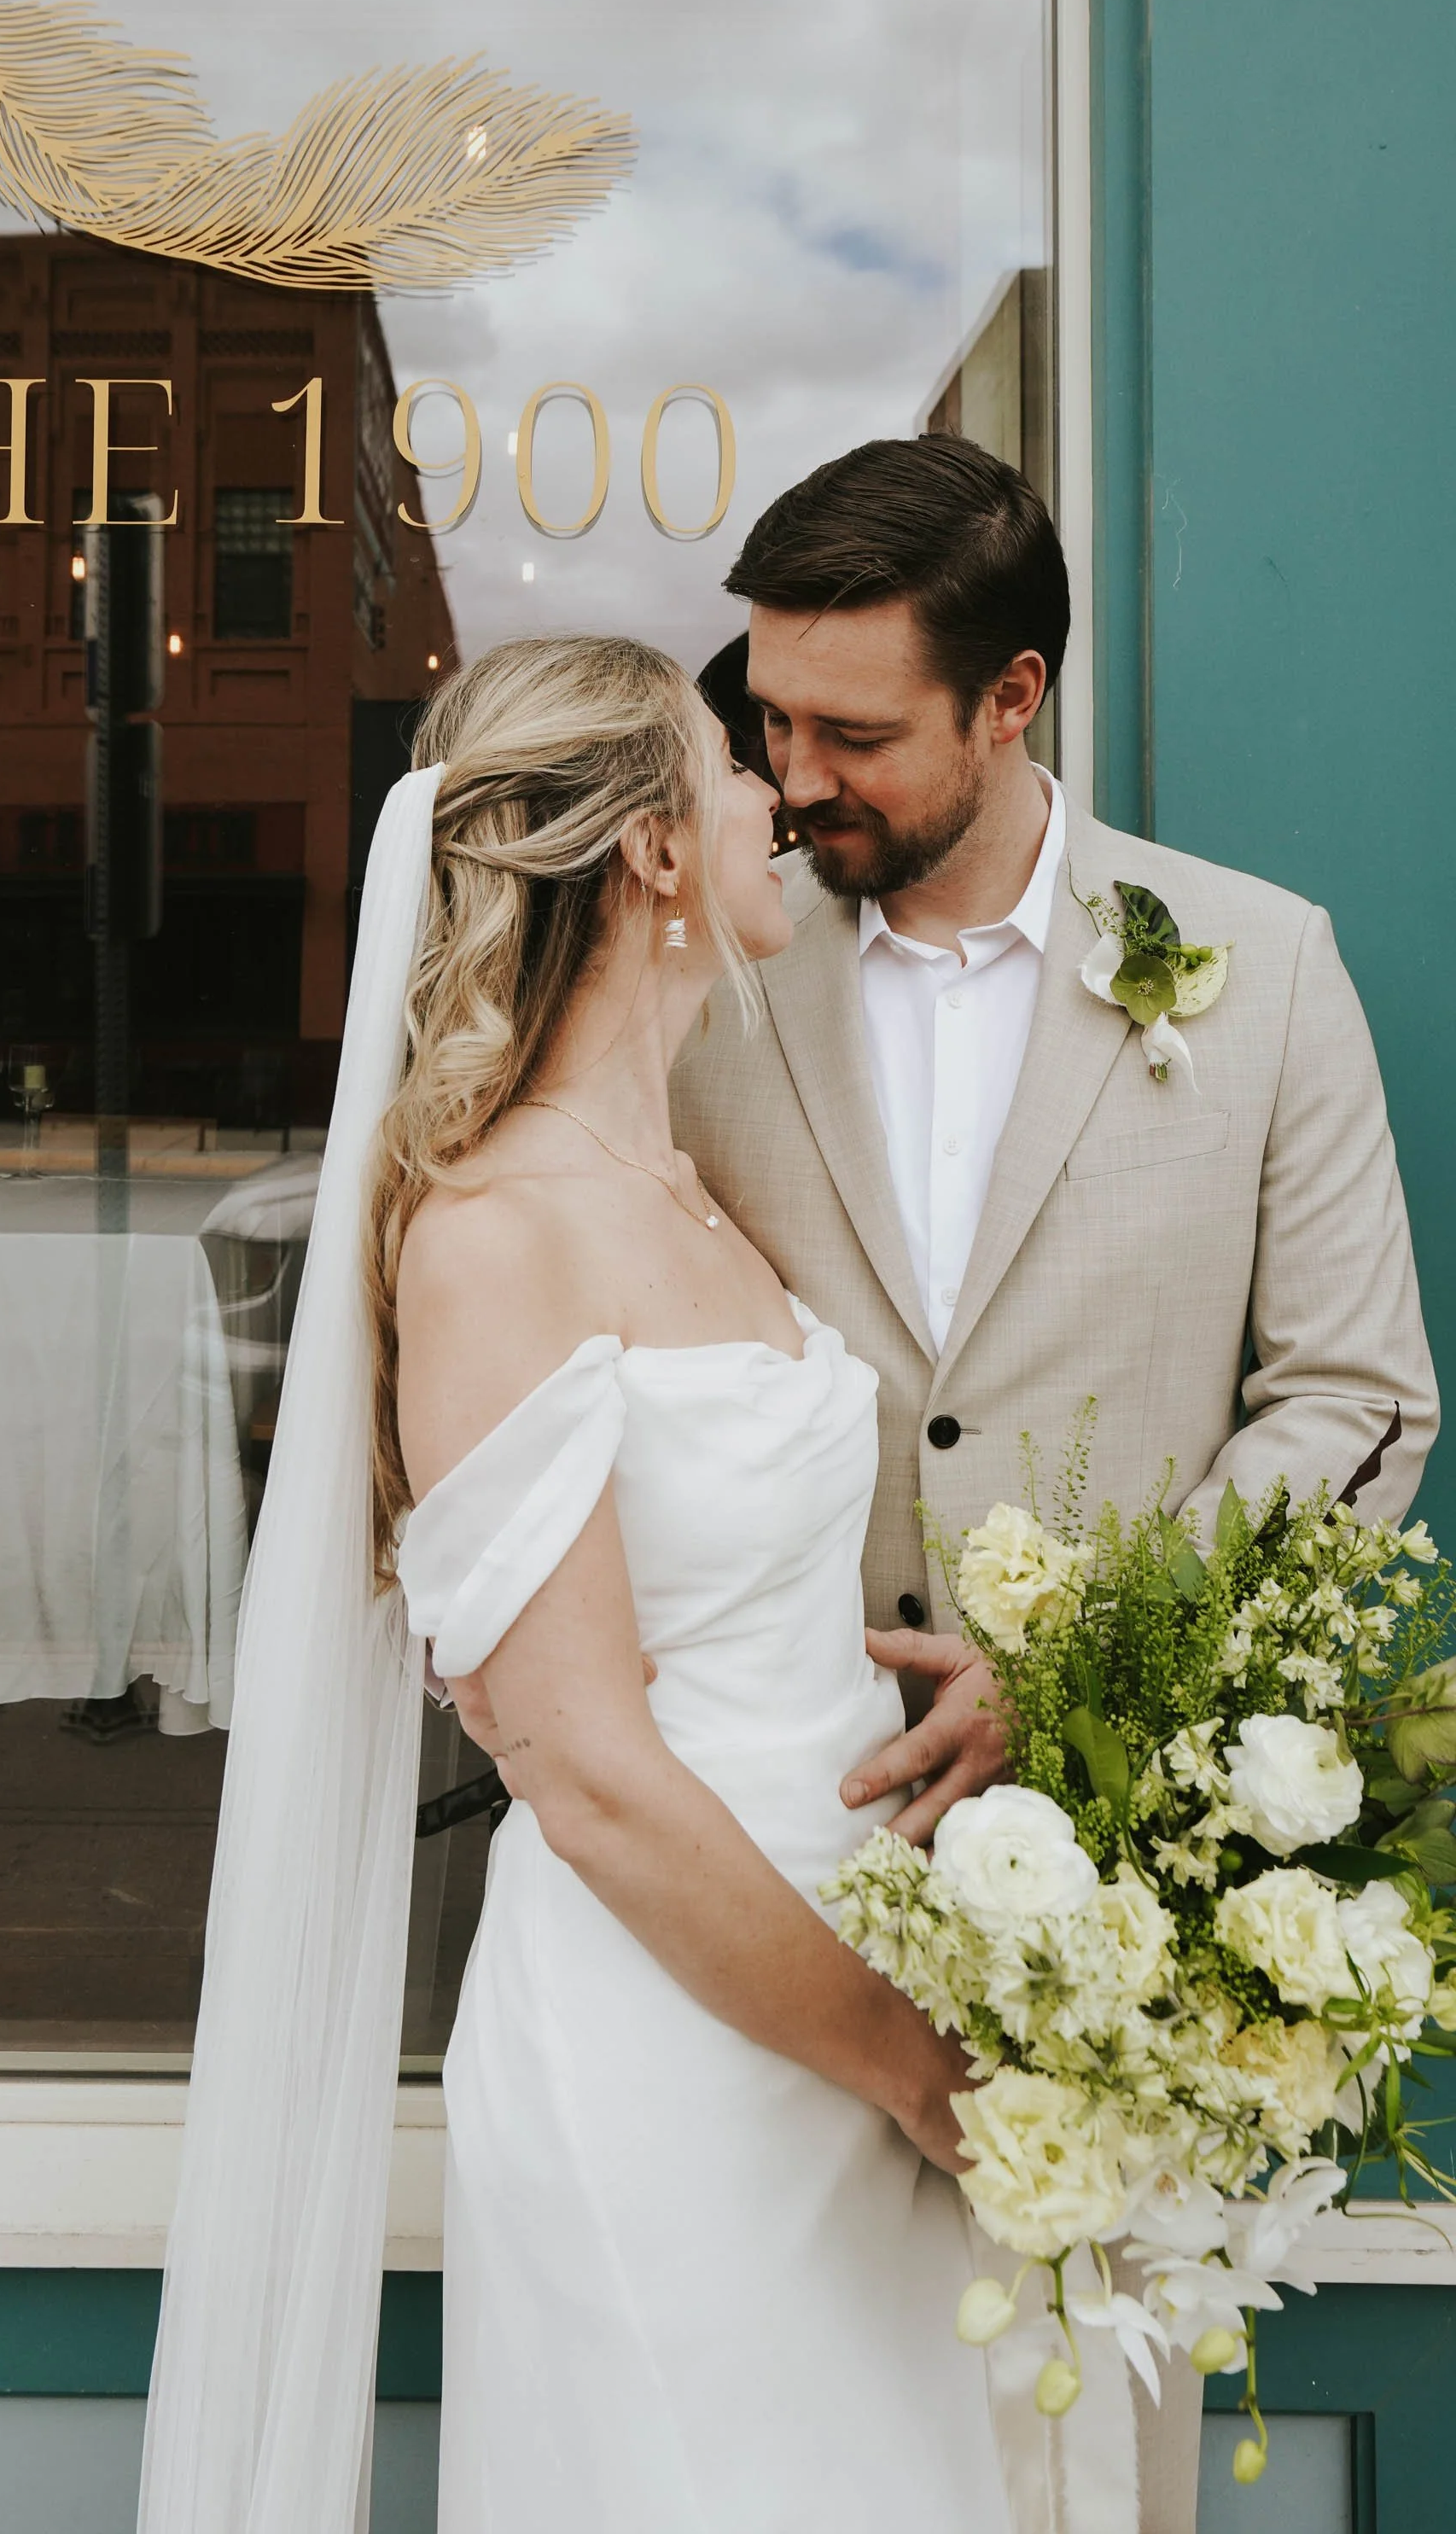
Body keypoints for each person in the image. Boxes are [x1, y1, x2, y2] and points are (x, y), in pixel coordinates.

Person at [137, 634, 1010, 2534]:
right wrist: (908, 2063)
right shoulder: (497, 1231)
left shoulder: (692, 1186)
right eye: (728, 763)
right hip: (684, 2056)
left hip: (843, 2020)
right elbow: (586, 1766)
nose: (776, 793)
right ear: (655, 859)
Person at [670, 433, 1441, 2534]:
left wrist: (1093, 1658)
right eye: (766, 719)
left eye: (853, 731)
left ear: (1012, 703)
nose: (789, 775)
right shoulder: (700, 978)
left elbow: (1362, 1400)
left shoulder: (1262, 969)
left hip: (1123, 1882)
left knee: (1073, 2466)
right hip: (762, 1855)